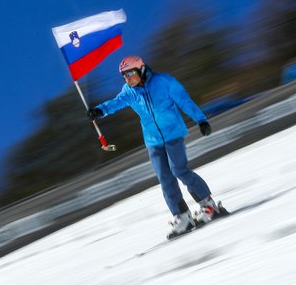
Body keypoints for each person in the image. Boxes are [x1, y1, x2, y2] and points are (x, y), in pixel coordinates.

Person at [87, 55, 220, 238]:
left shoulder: (164, 82)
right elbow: (116, 102)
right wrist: (100, 110)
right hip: (153, 140)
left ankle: (209, 205)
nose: (128, 79)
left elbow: (184, 101)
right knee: (165, 179)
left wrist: (201, 120)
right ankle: (182, 217)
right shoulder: (129, 91)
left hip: (173, 134)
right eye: (124, 76)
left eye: (130, 73)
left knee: (179, 170)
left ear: (141, 70)